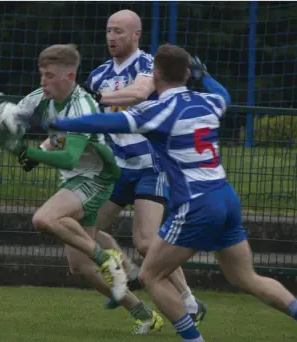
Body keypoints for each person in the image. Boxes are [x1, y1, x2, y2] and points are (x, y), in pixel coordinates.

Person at [47, 43, 297, 342]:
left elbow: (105, 120)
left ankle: (194, 339)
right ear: (188, 73)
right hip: (226, 198)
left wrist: (59, 123)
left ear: (156, 74)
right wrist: (206, 77)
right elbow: (225, 95)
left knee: (151, 276)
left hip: (196, 203)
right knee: (246, 277)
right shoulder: (209, 102)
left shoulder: (158, 111)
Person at [0, 44, 164, 334]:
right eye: (41, 75)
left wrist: (29, 153)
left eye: (49, 76)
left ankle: (108, 258)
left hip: (97, 177)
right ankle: (144, 314)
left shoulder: (83, 105)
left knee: (45, 219)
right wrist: (1, 123)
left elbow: (69, 157)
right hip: (74, 178)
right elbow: (17, 122)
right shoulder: (40, 97)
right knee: (79, 267)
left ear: (68, 75)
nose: (43, 81)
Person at [78, 9, 207, 328]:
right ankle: (128, 273)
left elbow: (139, 94)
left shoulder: (149, 65)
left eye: (119, 31)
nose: (111, 37)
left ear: (136, 35)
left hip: (151, 165)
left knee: (147, 242)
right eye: (108, 30)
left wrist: (97, 99)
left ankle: (189, 300)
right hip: (115, 168)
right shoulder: (98, 74)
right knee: (87, 231)